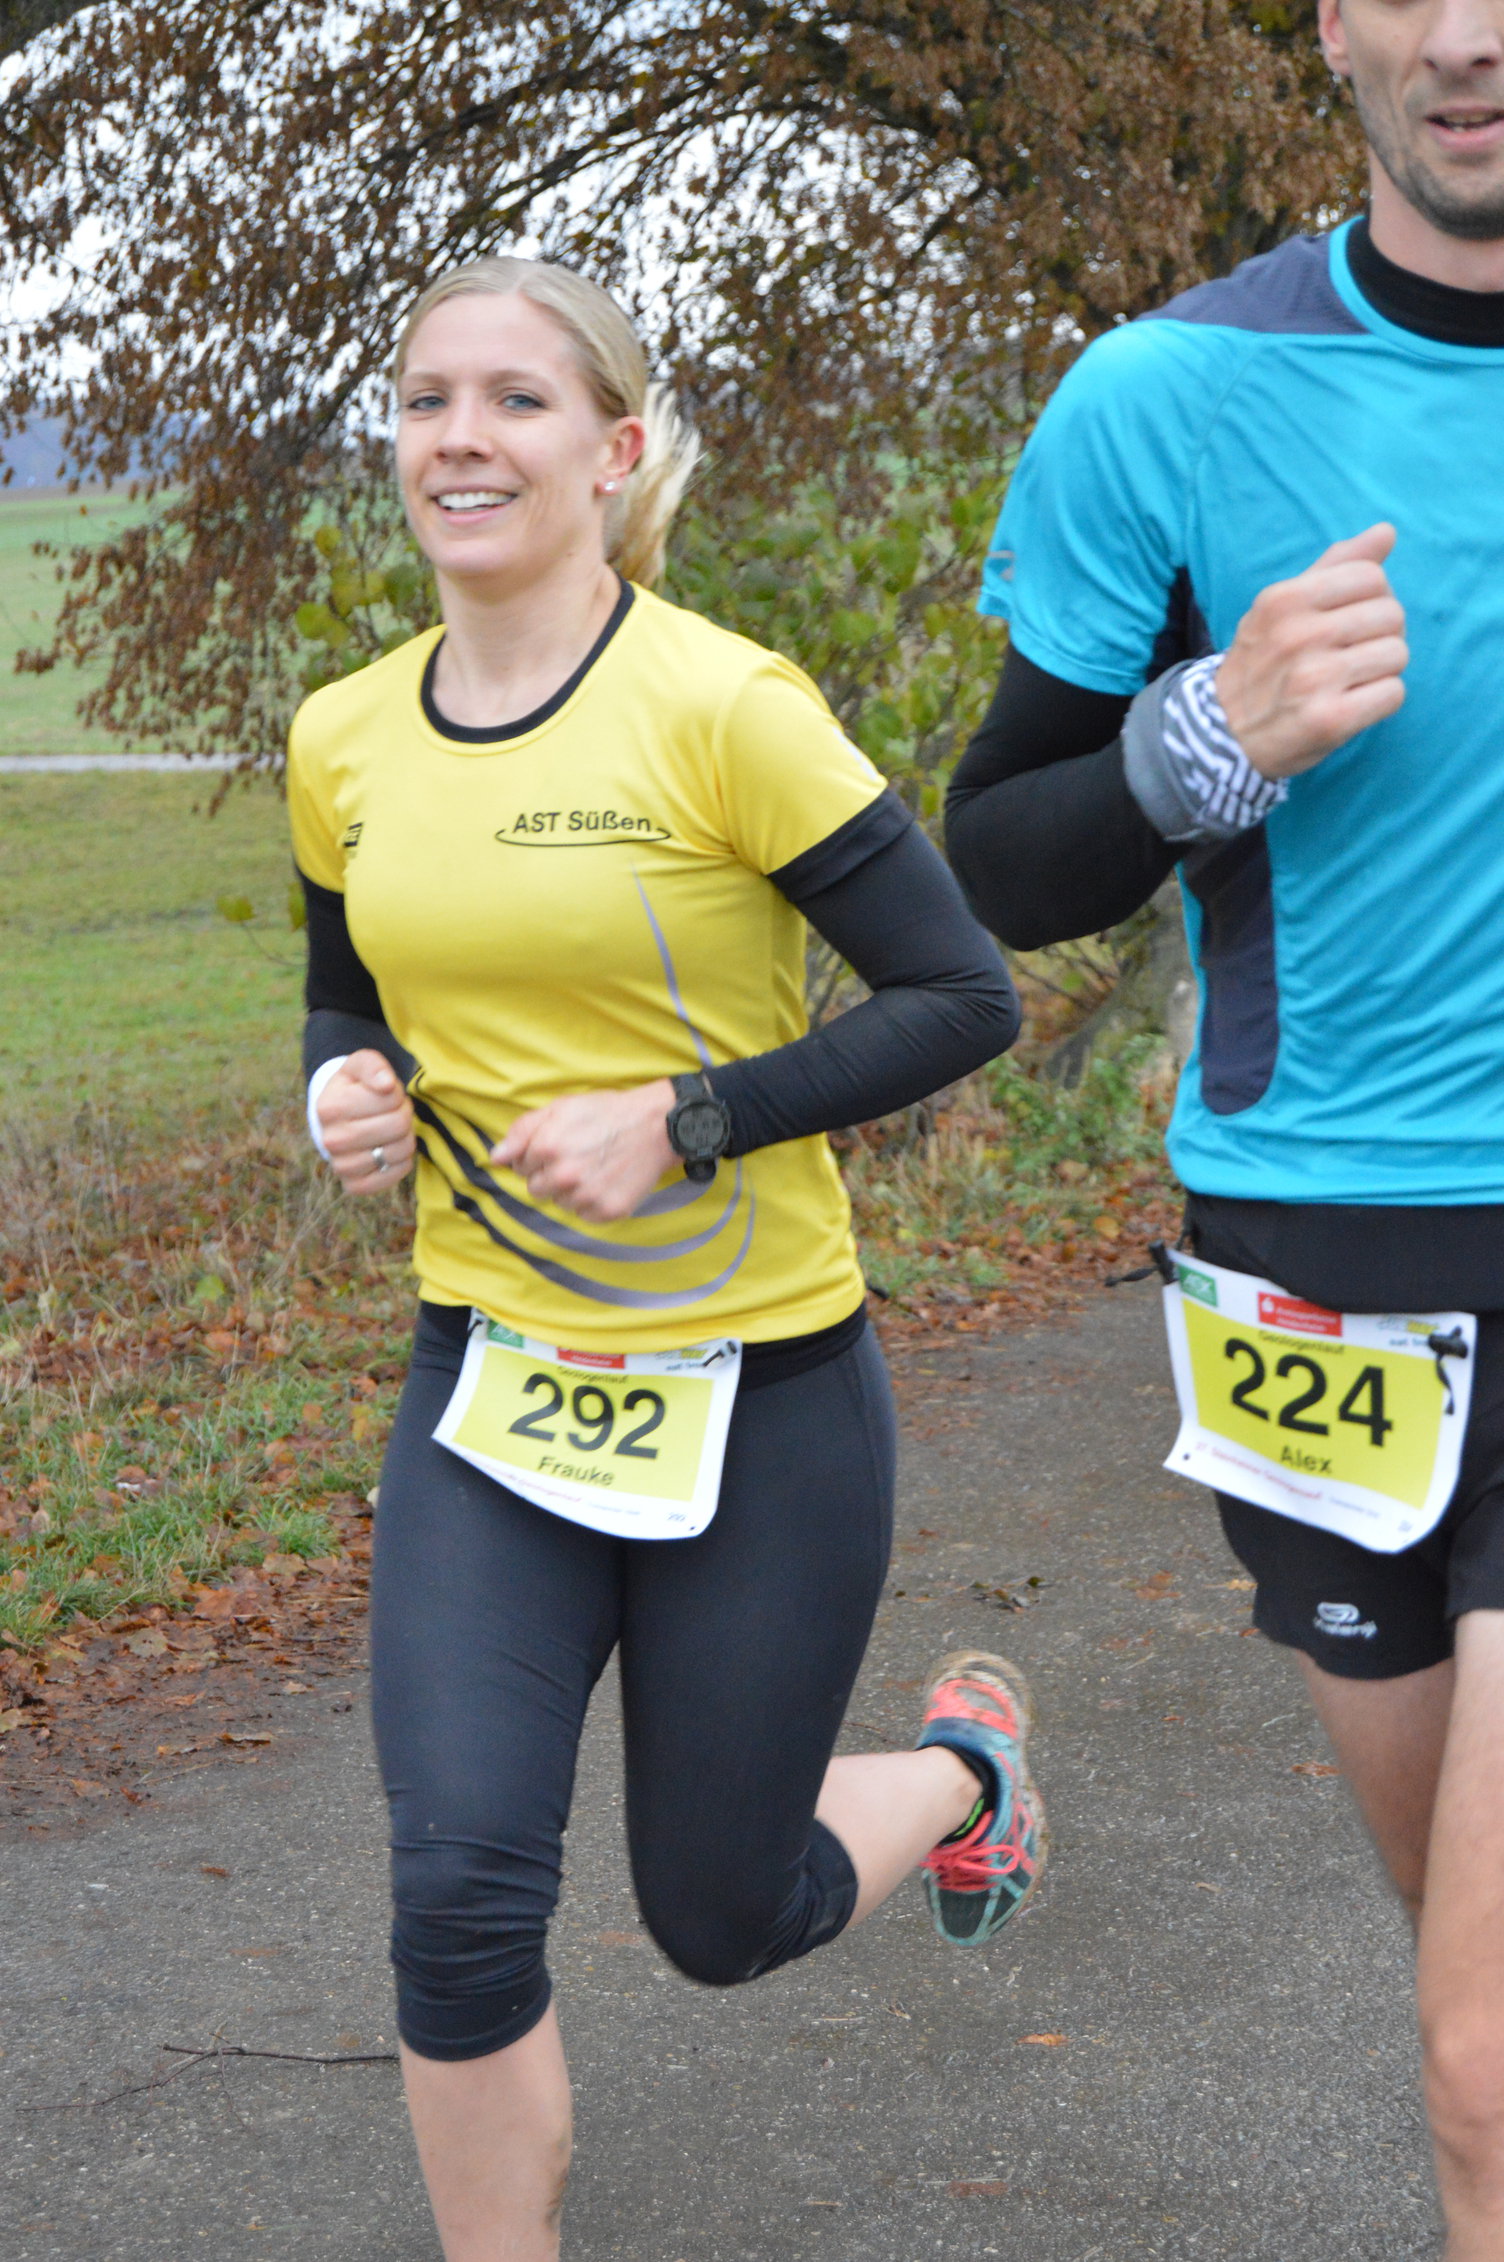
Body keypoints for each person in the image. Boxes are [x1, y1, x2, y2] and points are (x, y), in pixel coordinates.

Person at [286, 252, 1044, 2260]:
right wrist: (341, 1091)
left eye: (517, 400)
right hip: (493, 1384)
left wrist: (688, 1115)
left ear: (616, 451)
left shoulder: (721, 707)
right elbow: (344, 996)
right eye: (427, 397)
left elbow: (963, 996)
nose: (461, 438)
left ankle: (967, 1771)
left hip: (758, 1398)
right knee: (457, 1896)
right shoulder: (344, 737)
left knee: (721, 1913)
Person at [944, 1, 1504, 2249]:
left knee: (1481, 2056)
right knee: (1458, 1966)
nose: (1468, 37)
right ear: (1332, 24)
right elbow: (995, 863)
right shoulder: (1164, 394)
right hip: (1311, 1267)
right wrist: (1210, 739)